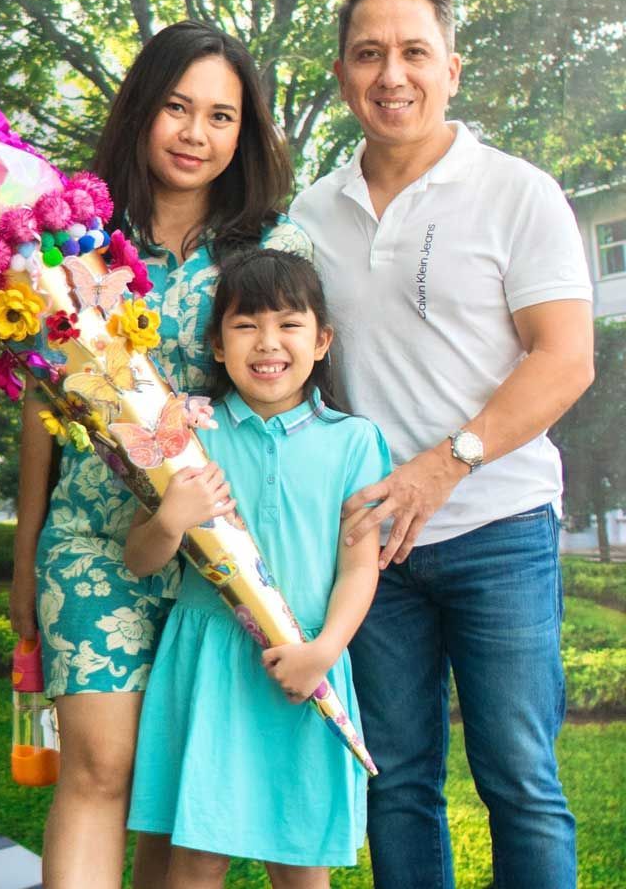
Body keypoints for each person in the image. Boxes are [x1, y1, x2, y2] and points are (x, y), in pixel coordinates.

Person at [290, 0, 594, 889]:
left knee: (521, 783)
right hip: (373, 545)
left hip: (499, 528)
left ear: (451, 68)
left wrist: (445, 464)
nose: (394, 75)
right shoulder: (309, 215)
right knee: (396, 782)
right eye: (369, 55)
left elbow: (565, 358)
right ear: (342, 75)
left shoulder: (517, 191)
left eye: (414, 52)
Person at [9, 22, 310, 889]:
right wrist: (25, 552)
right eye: (177, 108)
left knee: (177, 790)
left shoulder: (264, 248)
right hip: (93, 541)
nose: (195, 133)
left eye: (221, 117)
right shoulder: (82, 238)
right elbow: (48, 399)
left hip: (215, 555)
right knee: (100, 769)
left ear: (242, 133)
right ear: (144, 109)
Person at [125, 249, 392, 889]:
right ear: (217, 345)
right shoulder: (189, 434)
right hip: (210, 663)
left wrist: (324, 650)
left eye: (289, 324)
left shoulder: (355, 441)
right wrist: (171, 518)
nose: (267, 343)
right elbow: (141, 560)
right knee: (195, 856)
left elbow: (361, 567)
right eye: (246, 325)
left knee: (301, 859)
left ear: (322, 340)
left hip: (304, 661)